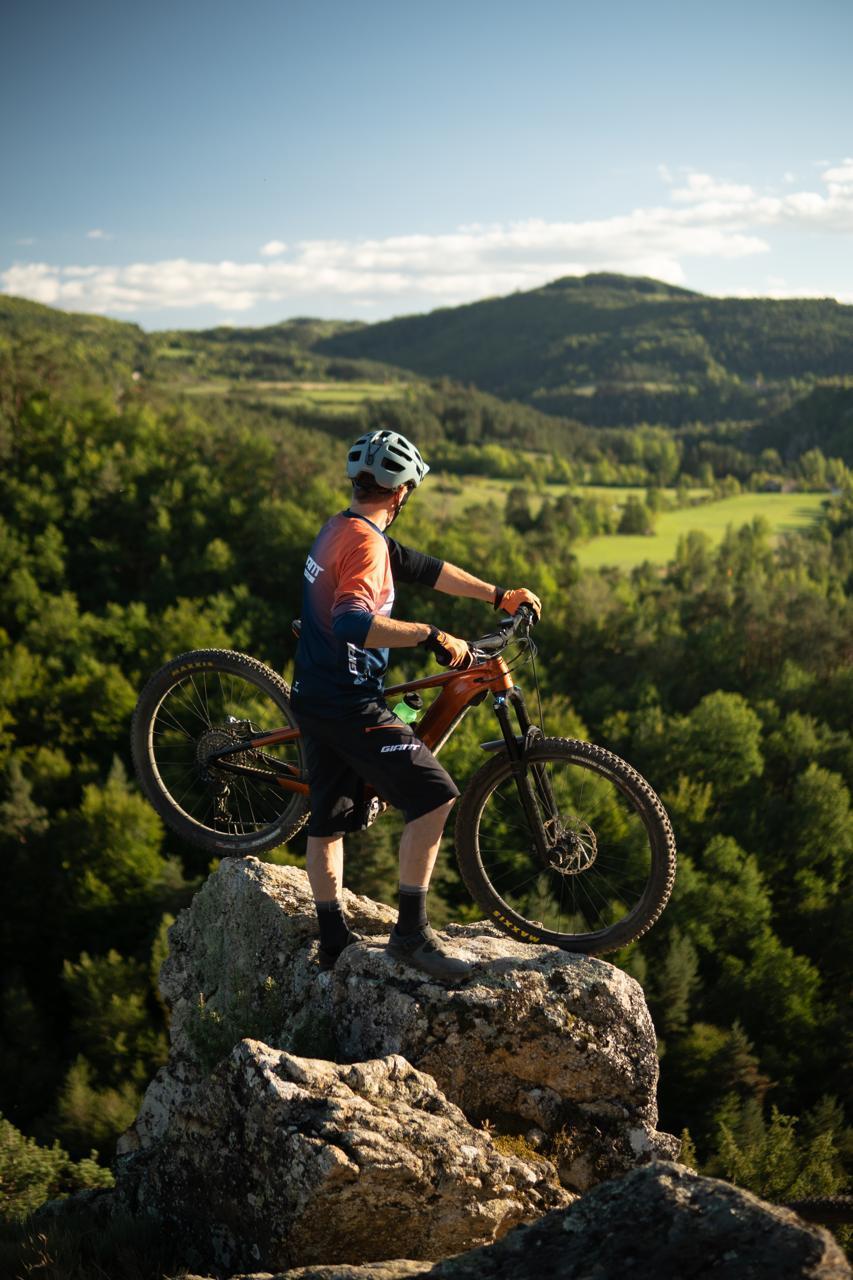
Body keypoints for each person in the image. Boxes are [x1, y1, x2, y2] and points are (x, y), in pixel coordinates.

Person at [290, 429, 541, 981]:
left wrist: (498, 594)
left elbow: (427, 568)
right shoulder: (365, 546)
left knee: (327, 820)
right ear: (401, 493)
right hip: (348, 702)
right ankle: (409, 935)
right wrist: (432, 636)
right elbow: (354, 622)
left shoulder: (344, 527)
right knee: (434, 796)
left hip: (313, 691)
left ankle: (333, 941)